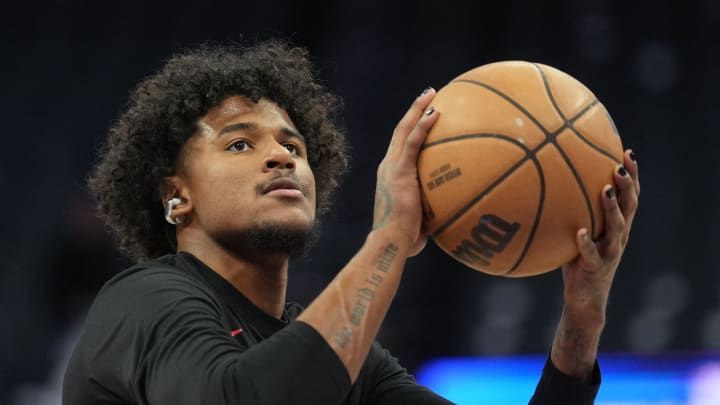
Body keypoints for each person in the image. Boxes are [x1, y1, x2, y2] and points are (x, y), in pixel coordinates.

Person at [62, 40, 640, 405]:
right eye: (239, 144)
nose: (282, 156)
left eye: (295, 145)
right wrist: (390, 236)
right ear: (175, 197)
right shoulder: (146, 300)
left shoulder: (355, 367)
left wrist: (582, 321)